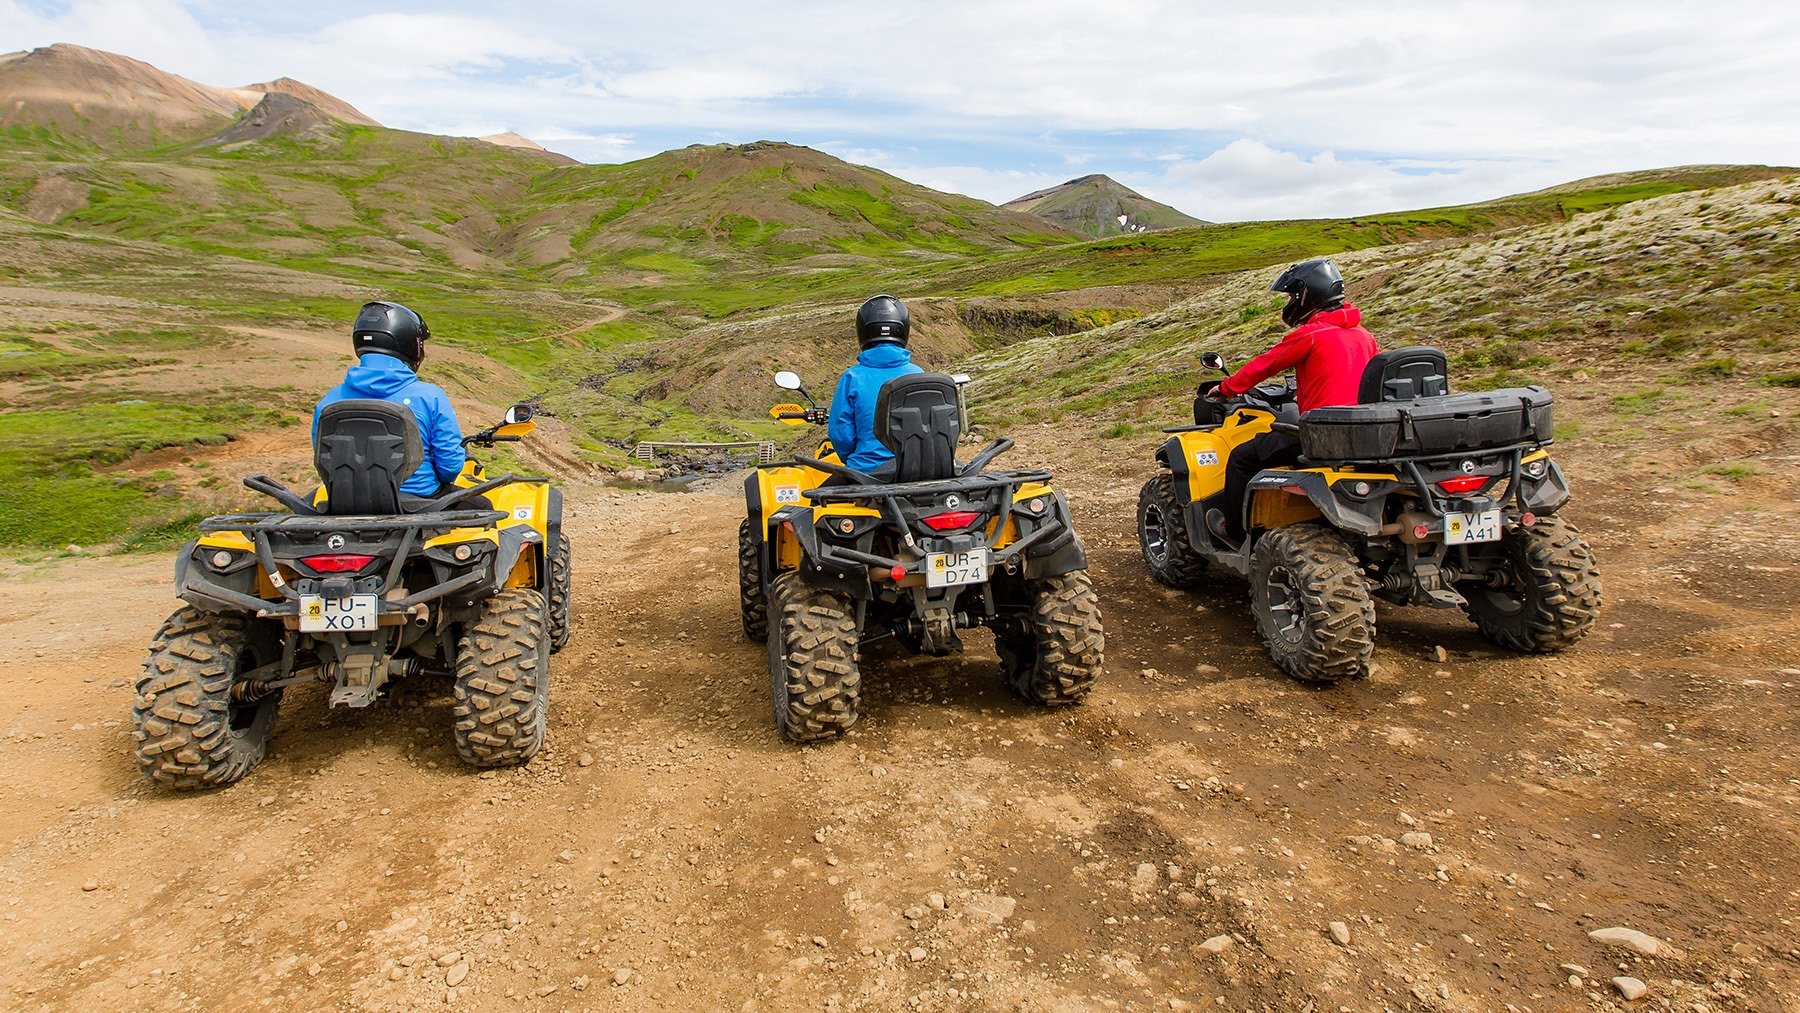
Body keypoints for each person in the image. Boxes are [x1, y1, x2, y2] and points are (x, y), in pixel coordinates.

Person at [1206, 257, 1377, 543]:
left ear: (1306, 295)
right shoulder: (1364, 336)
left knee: (1240, 458)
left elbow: (1265, 365)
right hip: (1362, 434)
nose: (1288, 302)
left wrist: (1225, 388)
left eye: (1291, 296)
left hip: (1321, 436)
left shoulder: (1310, 335)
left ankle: (1233, 531)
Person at [314, 301, 482, 507]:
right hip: (420, 500)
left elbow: (324, 462)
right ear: (407, 343)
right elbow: (450, 466)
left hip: (346, 503)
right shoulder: (429, 396)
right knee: (483, 506)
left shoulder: (329, 400)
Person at [823, 294, 924, 483]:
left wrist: (858, 459)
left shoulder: (853, 378)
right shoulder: (919, 373)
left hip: (869, 472)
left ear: (863, 330)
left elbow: (841, 434)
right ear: (903, 329)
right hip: (918, 469)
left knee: (814, 499)